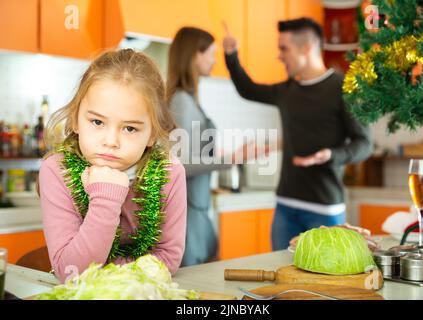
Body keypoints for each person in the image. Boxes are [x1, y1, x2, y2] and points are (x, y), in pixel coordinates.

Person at [223, 18, 373, 250]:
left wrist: (332, 155)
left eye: (284, 49)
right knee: (282, 278)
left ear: (306, 47)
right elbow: (248, 89)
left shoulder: (344, 88)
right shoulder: (288, 91)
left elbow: (364, 143)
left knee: (326, 281)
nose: (279, 56)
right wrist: (232, 57)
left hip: (324, 210)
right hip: (285, 207)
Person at [38, 49, 187, 283]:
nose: (110, 141)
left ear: (152, 135)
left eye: (130, 128)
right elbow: (71, 272)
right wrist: (107, 200)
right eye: (97, 121)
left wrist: (106, 268)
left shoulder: (170, 172)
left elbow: (168, 258)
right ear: (76, 119)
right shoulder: (57, 170)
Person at [167, 27, 234, 266]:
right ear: (196, 54)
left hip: (196, 207)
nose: (215, 60)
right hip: (187, 214)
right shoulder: (182, 102)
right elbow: (179, 164)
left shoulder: (189, 99)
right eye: (212, 54)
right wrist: (231, 159)